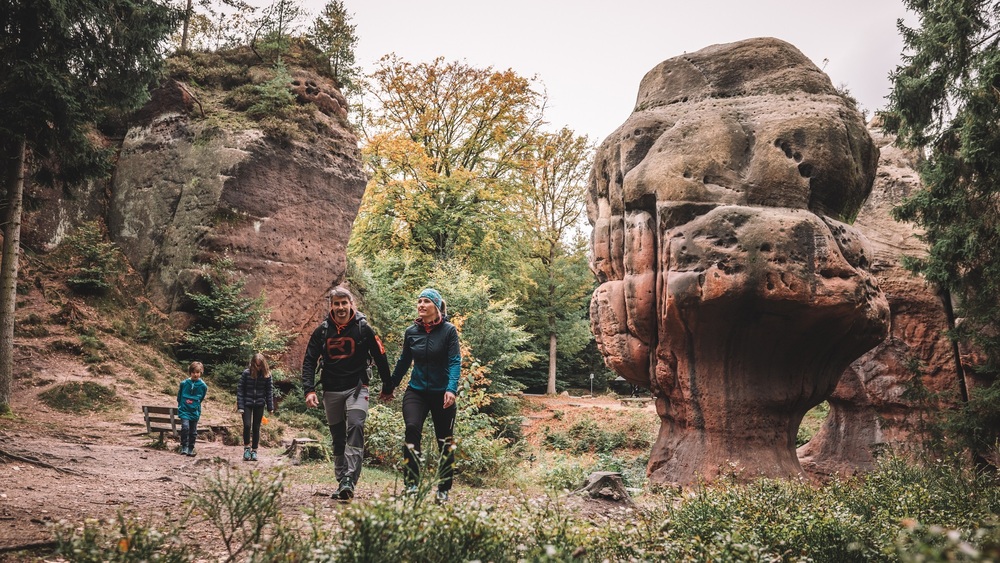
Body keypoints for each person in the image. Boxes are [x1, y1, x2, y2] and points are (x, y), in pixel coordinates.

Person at [302, 285, 392, 501]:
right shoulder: (322, 331)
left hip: (358, 388)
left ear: (351, 304)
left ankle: (349, 479)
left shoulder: (363, 329)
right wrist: (309, 389)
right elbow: (309, 360)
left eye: (344, 303)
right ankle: (342, 479)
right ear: (331, 306)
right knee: (338, 436)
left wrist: (388, 386)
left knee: (356, 427)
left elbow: (381, 357)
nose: (341, 307)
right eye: (336, 304)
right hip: (331, 389)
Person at [380, 288, 461, 504]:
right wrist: (390, 386)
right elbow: (404, 361)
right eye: (419, 301)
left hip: (442, 392)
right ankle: (412, 485)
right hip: (416, 391)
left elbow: (454, 361)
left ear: (436, 306)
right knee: (412, 428)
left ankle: (443, 489)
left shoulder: (449, 331)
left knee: (445, 440)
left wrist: (451, 389)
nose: (421, 305)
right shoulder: (411, 332)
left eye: (426, 301)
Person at [237, 353, 274, 462]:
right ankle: (246, 448)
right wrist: (240, 406)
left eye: (260, 365)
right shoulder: (246, 373)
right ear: (253, 364)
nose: (258, 368)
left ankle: (254, 450)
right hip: (246, 403)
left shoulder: (267, 375)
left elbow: (269, 391)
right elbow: (240, 390)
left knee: (256, 427)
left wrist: (270, 407)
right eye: (256, 365)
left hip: (259, 403)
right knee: (247, 425)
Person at [177, 361, 208, 457]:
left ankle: (191, 448)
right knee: (185, 427)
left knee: (193, 431)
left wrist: (195, 404)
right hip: (184, 410)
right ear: (190, 372)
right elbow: (179, 396)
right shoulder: (184, 383)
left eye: (198, 372)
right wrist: (181, 405)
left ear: (201, 373)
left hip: (194, 411)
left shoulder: (203, 386)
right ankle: (184, 446)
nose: (195, 374)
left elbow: (201, 398)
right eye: (194, 372)